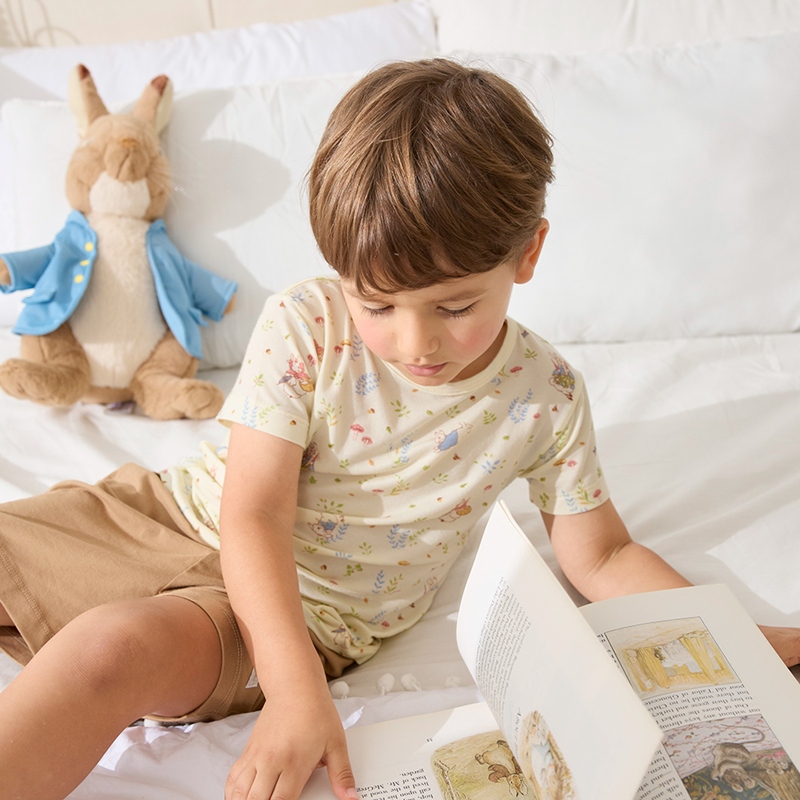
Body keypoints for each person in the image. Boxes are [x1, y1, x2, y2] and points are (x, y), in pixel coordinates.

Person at [0, 58, 798, 800]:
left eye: (454, 306)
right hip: (166, 513)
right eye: (376, 304)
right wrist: (297, 696)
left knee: (109, 654)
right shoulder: (307, 323)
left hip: (296, 617)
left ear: (528, 254)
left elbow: (605, 556)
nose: (416, 343)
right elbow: (253, 511)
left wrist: (741, 638)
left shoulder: (544, 396)